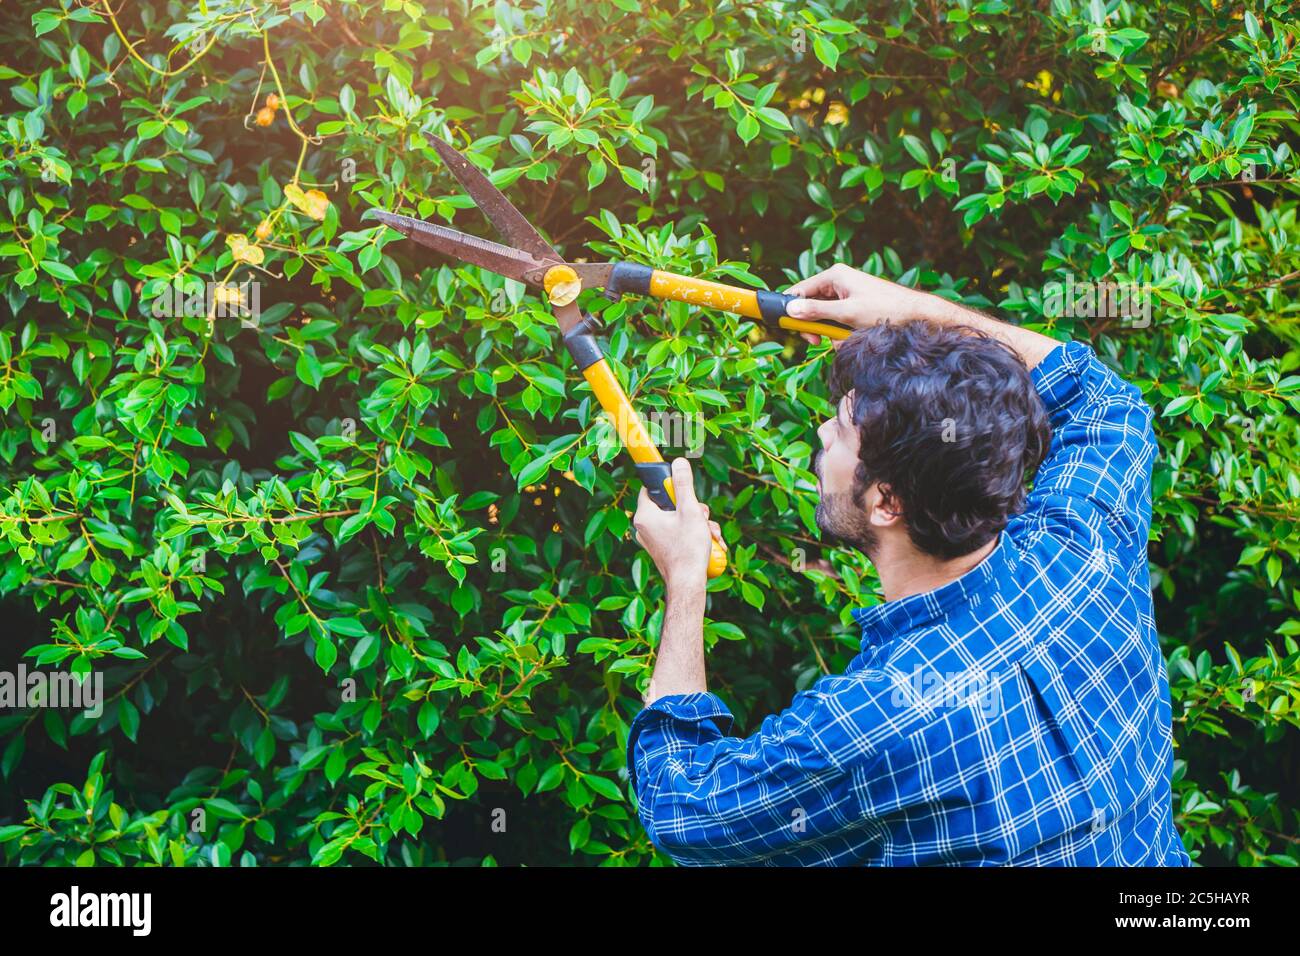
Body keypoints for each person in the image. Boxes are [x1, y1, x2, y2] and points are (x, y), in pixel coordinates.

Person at [627, 264, 1189, 866]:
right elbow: (1103, 400)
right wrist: (919, 311)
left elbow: (682, 807)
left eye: (841, 432)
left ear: (887, 502)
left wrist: (684, 580)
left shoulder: (876, 724)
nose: (821, 433)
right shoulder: (1085, 554)